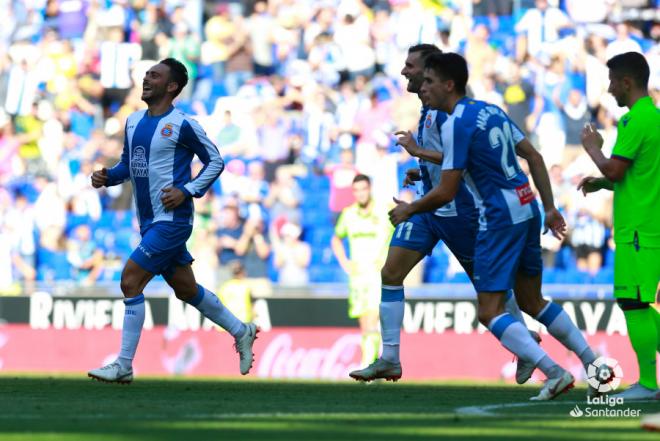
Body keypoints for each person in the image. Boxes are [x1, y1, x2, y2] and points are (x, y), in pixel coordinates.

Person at [388, 52, 598, 401]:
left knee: (489, 311)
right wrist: (549, 207)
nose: (422, 87)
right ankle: (594, 364)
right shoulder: (490, 110)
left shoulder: (456, 123)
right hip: (528, 207)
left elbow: (446, 189)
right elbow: (534, 156)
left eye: (429, 81)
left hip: (498, 217)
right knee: (533, 301)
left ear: (448, 84)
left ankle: (556, 372)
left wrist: (411, 209)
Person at [349, 44, 539, 385]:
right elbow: (441, 158)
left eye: (411, 66)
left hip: (458, 211)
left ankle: (527, 346)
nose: (405, 71)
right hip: (428, 207)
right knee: (391, 272)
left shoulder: (449, 113)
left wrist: (419, 152)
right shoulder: (427, 110)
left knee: (489, 289)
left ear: (430, 72)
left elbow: (459, 159)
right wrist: (421, 171)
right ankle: (390, 358)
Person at [88, 58, 258, 384]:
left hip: (173, 219)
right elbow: (129, 164)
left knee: (130, 280)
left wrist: (188, 190)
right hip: (149, 221)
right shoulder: (133, 121)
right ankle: (242, 330)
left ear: (172, 87)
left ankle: (123, 365)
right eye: (147, 74)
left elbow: (215, 160)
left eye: (155, 75)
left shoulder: (183, 124)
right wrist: (108, 176)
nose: (147, 79)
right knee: (185, 288)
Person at [579, 52, 660, 401]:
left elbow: (615, 169)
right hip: (648, 224)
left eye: (612, 81)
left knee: (633, 302)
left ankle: (648, 383)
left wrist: (593, 150)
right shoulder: (654, 118)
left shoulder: (633, 122)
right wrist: (603, 183)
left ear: (626, 82)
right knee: (637, 302)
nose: (609, 88)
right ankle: (649, 383)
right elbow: (638, 177)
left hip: (638, 229)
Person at [332, 174, 393, 367]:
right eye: (356, 190)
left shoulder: (384, 211)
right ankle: (372, 364)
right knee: (365, 324)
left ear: (370, 189)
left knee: (373, 320)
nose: (360, 194)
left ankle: (368, 367)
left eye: (363, 189)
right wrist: (344, 262)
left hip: (377, 275)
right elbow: (336, 239)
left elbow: (402, 232)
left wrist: (389, 260)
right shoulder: (349, 214)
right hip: (357, 278)